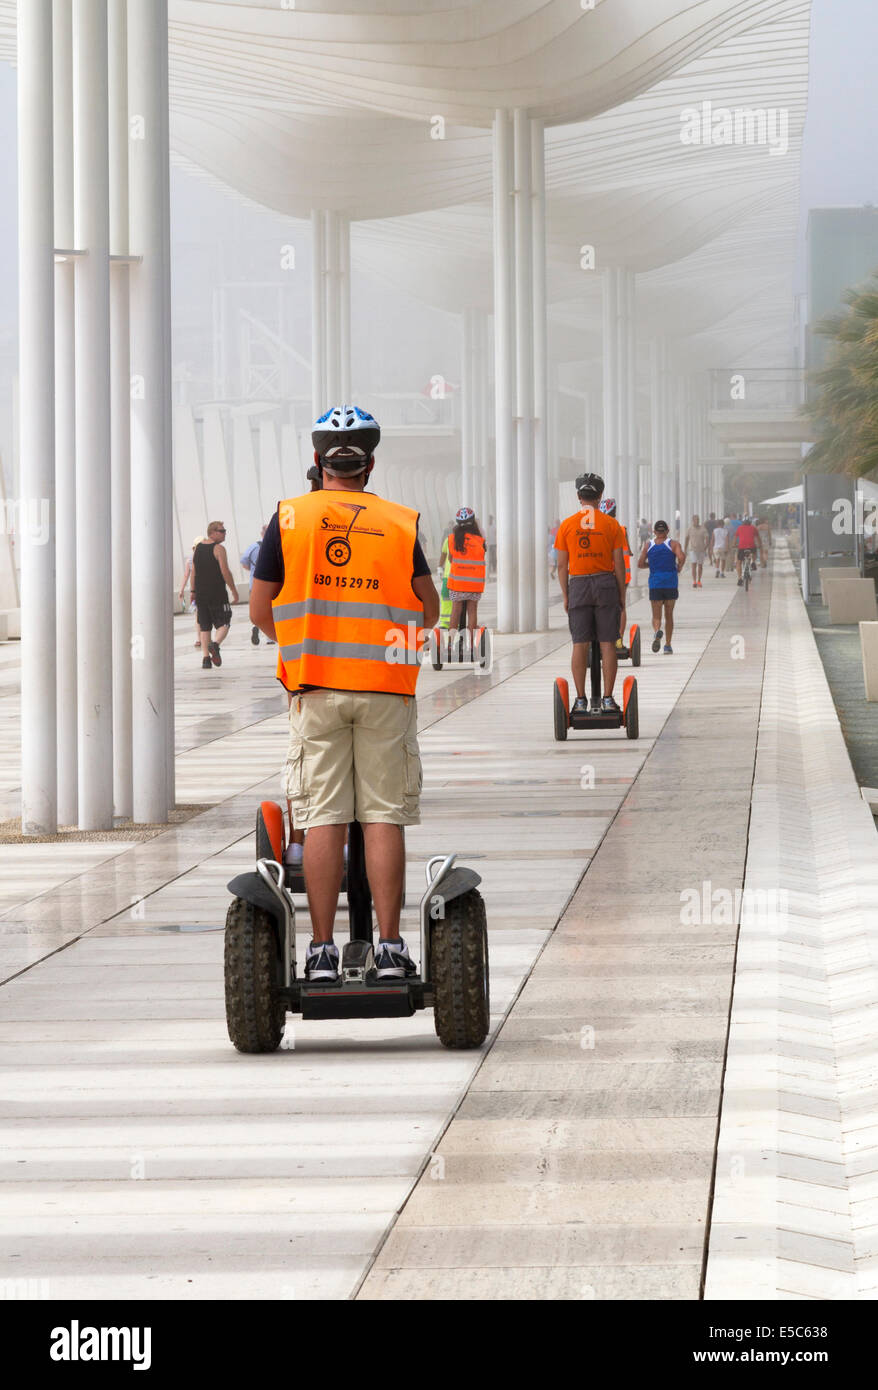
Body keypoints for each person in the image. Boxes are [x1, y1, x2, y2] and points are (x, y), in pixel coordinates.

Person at [249, 404, 439, 983]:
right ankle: (388, 947)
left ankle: (323, 951)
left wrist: (309, 637)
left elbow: (260, 611)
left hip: (316, 687)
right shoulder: (400, 522)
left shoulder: (288, 519)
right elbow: (429, 610)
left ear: (318, 461)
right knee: (383, 815)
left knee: (324, 815)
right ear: (370, 464)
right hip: (384, 686)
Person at [554, 472, 627, 715]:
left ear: (578, 496)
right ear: (600, 496)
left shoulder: (566, 525)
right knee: (608, 642)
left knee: (580, 643)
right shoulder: (612, 525)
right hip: (605, 584)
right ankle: (607, 698)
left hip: (579, 586)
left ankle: (581, 700)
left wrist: (566, 595)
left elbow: (562, 566)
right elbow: (619, 564)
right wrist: (621, 596)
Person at [193, 522, 239, 669]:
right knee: (225, 621)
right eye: (222, 531)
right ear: (212, 532)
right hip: (217, 593)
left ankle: (206, 659)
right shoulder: (218, 549)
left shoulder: (198, 548)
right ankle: (215, 644)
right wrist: (233, 590)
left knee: (205, 626)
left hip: (200, 594)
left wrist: (193, 591)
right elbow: (225, 571)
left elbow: (193, 572)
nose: (225, 533)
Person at [638, 520, 685, 654]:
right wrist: (679, 567)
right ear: (667, 530)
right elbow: (681, 557)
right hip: (670, 583)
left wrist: (650, 565)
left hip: (655, 584)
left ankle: (657, 631)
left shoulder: (648, 545)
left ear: (654, 532)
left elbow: (640, 564)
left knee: (656, 615)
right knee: (669, 615)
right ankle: (668, 645)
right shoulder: (673, 544)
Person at [447, 508, 486, 643]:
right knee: (472, 611)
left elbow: (450, 559)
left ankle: (450, 643)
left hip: (458, 584)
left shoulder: (452, 539)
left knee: (456, 611)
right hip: (475, 584)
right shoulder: (480, 540)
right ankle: (470, 643)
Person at [241, 525, 270, 646]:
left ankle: (255, 626)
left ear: (261, 533)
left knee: (257, 609)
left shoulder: (253, 547)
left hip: (255, 583)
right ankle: (270, 638)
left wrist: (253, 570)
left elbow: (244, 562)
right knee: (270, 610)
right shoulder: (276, 545)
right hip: (271, 584)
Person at [179, 535, 204, 647]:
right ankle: (205, 637)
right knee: (207, 614)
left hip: (195, 591)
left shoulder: (189, 560)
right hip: (207, 589)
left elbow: (186, 576)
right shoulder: (210, 557)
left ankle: (199, 639)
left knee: (198, 616)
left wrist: (181, 590)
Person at [684, 514, 709, 588]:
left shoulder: (703, 529)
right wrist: (685, 549)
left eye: (698, 520)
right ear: (693, 521)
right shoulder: (689, 529)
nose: (697, 521)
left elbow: (707, 538)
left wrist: (705, 547)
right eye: (695, 520)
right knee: (693, 565)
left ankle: (699, 580)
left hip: (701, 550)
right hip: (693, 550)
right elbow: (687, 539)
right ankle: (694, 581)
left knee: (700, 566)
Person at [735, 515, 760, 585]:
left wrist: (733, 545)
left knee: (739, 562)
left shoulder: (739, 528)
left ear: (743, 522)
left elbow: (735, 538)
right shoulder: (754, 528)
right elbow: (758, 538)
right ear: (750, 522)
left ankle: (739, 578)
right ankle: (753, 562)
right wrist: (759, 545)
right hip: (751, 546)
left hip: (742, 547)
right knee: (755, 551)